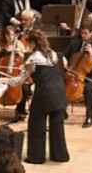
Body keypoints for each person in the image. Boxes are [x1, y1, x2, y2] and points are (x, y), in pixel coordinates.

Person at [5, 30, 69, 164]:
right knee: (57, 127)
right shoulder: (55, 54)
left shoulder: (33, 59)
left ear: (33, 43)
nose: (26, 45)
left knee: (36, 126)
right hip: (59, 93)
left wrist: (5, 81)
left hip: (44, 95)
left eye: (27, 43)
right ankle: (59, 156)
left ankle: (36, 157)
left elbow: (19, 81)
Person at [62, 19, 92, 128]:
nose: (83, 35)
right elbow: (63, 54)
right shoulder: (75, 43)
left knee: (87, 89)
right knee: (60, 84)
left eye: (85, 33)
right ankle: (62, 111)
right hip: (74, 73)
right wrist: (64, 60)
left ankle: (89, 117)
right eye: (82, 33)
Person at [0, 24, 30, 123]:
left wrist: (21, 54)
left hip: (16, 75)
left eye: (12, 35)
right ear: (4, 35)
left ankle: (20, 111)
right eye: (8, 35)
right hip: (2, 74)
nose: (11, 37)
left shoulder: (19, 45)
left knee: (25, 89)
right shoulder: (0, 46)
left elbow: (28, 59)